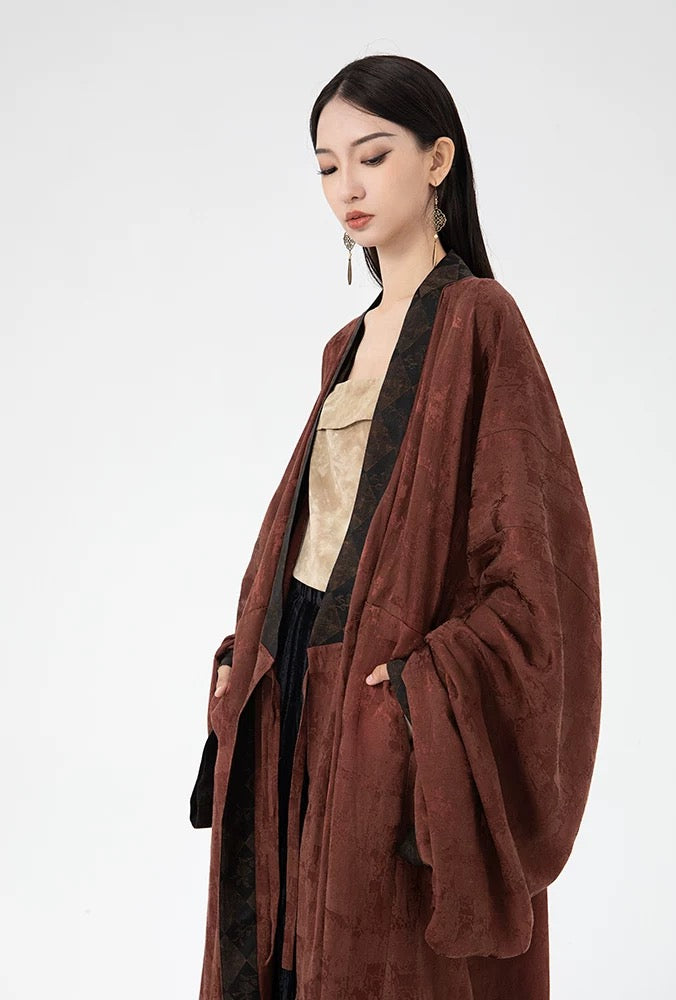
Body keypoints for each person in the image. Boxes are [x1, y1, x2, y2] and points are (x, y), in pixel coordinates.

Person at [192, 54, 601, 1000]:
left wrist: (422, 690)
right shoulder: (345, 345)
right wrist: (244, 653)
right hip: (293, 677)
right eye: (327, 166)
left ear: (438, 160)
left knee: (377, 952)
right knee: (286, 947)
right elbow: (316, 532)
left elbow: (539, 580)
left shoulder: (482, 322)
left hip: (384, 697)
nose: (348, 187)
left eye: (372, 156)